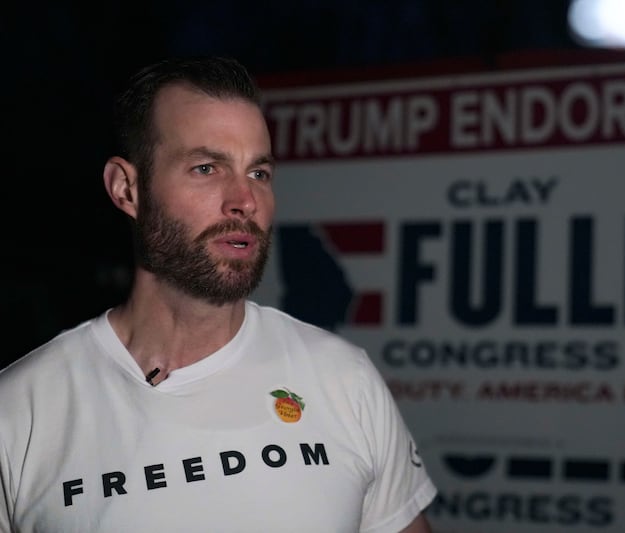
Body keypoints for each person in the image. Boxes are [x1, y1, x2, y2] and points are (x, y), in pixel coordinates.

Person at [0, 56, 437, 532]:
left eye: (258, 173)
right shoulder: (21, 409)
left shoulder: (344, 379)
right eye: (207, 168)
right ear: (127, 189)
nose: (245, 200)